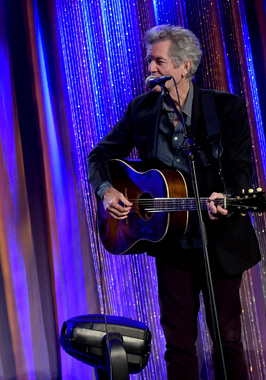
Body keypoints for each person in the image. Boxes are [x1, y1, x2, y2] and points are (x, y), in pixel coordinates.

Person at [87, 25, 261, 379]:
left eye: (158, 62)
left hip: (220, 241)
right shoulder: (141, 110)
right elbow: (100, 156)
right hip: (170, 244)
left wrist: (228, 197)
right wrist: (107, 190)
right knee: (179, 344)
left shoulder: (225, 107)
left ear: (184, 67)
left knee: (227, 339)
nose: (150, 69)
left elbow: (240, 168)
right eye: (149, 61)